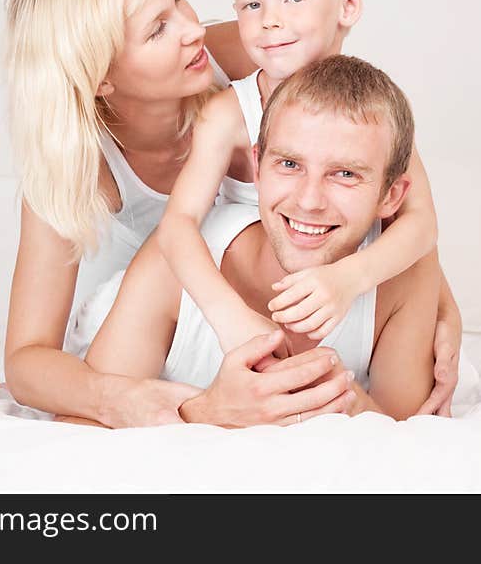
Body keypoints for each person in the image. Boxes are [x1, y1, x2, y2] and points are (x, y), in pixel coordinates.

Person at [0, 0, 461, 427]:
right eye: (157, 30)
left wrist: (435, 309)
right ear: (100, 75)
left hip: (281, 308)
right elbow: (26, 360)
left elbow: (385, 175)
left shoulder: (253, 53)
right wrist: (120, 396)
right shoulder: (72, 166)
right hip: (164, 322)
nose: (193, 29)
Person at [155, 0, 447, 373]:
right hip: (244, 290)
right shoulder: (228, 114)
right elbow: (177, 226)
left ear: (347, 6)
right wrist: (228, 316)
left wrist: (348, 279)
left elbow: (421, 224)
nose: (270, 20)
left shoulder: (370, 112)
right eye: (252, 5)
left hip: (337, 283)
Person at [81, 55, 440, 426]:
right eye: (289, 164)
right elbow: (80, 429)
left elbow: (409, 440)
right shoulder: (172, 262)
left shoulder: (404, 280)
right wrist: (208, 412)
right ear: (257, 166)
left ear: (391, 196)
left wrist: (345, 404)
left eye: (345, 173)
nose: (308, 201)